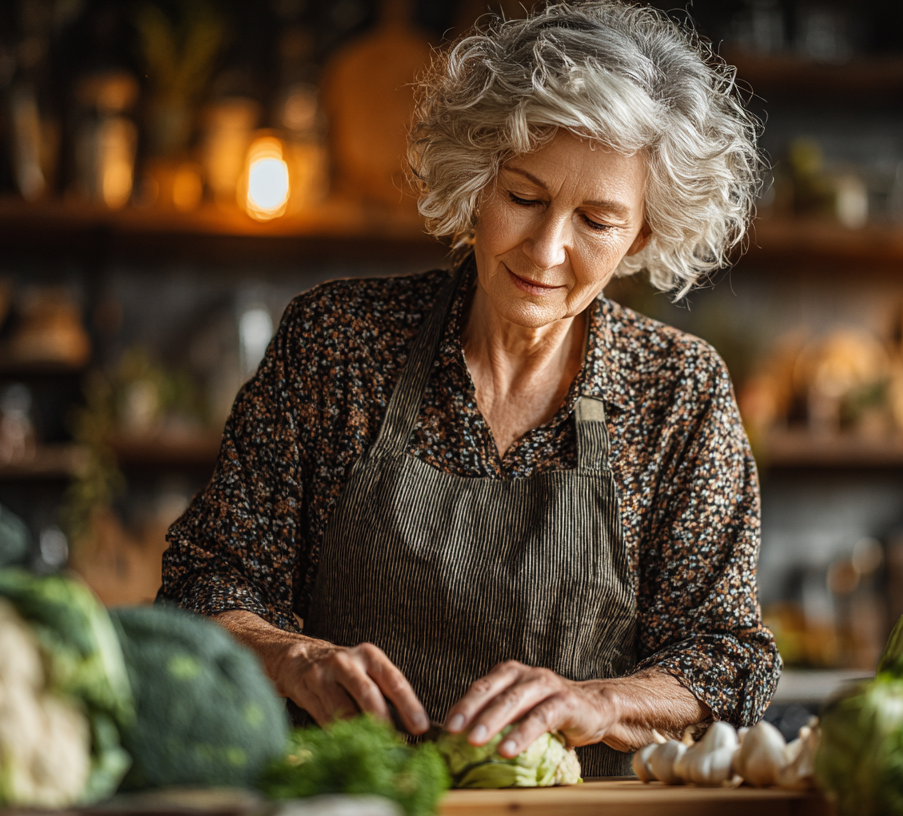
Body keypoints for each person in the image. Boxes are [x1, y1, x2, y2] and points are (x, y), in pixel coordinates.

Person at [159, 0, 779, 776]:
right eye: (524, 197)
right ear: (479, 178)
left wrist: (602, 702)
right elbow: (205, 582)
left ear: (642, 234)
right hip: (351, 799)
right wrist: (290, 656)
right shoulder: (337, 344)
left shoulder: (678, 393)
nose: (546, 250)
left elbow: (727, 656)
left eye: (596, 221)